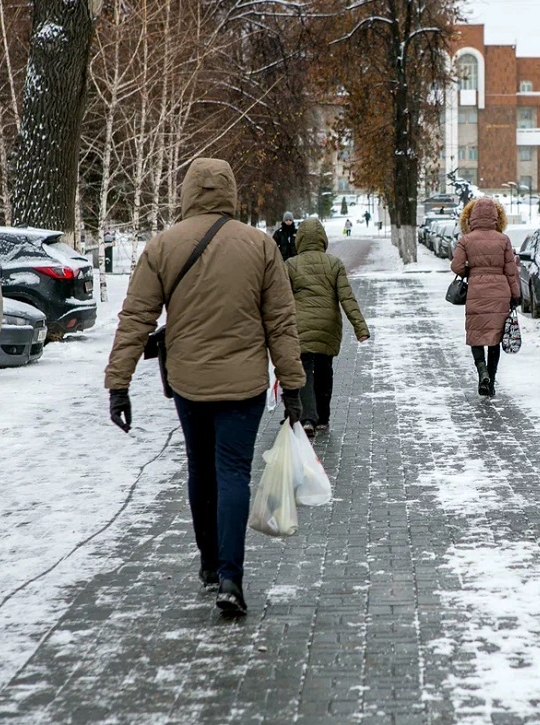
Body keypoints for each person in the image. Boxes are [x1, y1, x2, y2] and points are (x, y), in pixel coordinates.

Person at [105, 157, 305, 618]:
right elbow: (281, 321)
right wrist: (292, 386)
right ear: (231, 192)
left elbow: (136, 318)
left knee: (201, 468)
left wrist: (119, 384)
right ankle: (231, 577)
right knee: (233, 471)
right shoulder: (259, 245)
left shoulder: (162, 246)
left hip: (189, 382)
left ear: (187, 192)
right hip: (244, 385)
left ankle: (210, 565)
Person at [285, 217, 369, 439]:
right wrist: (360, 327)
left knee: (305, 370)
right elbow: (347, 298)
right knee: (324, 370)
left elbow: (280, 300)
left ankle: (308, 419)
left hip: (300, 324)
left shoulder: (291, 265)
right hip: (327, 325)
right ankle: (323, 418)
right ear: (322, 239)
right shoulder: (334, 264)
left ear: (300, 240)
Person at [450, 197, 519, 397]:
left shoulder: (466, 240)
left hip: (476, 292)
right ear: (497, 217)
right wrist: (515, 295)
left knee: (477, 335)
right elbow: (511, 270)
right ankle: (492, 380)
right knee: (494, 338)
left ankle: (482, 373)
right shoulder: (503, 240)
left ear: (471, 217)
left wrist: (471, 269)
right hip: (500, 293)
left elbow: (456, 266)